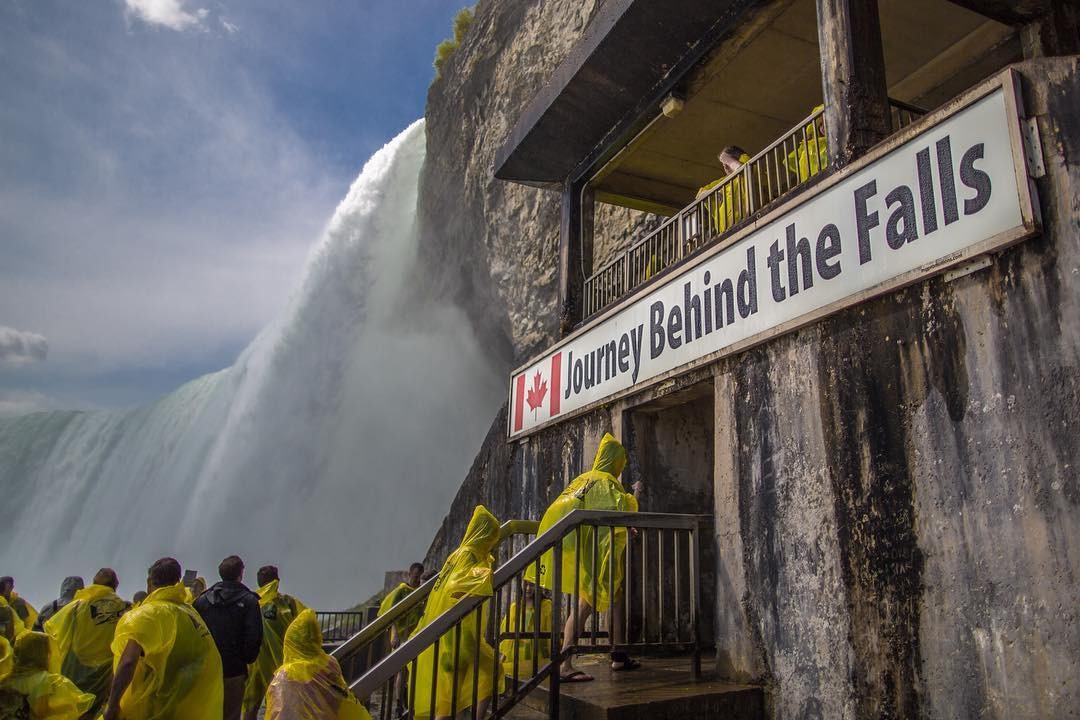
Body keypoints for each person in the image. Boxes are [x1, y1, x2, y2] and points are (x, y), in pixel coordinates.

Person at [525, 432, 639, 682]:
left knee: (614, 597)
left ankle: (618, 655)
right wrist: (636, 494)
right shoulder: (606, 482)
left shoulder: (582, 480)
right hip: (591, 551)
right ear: (614, 462)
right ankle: (564, 664)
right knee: (587, 602)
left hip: (575, 545)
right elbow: (623, 510)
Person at [411, 505, 503, 720]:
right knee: (448, 700)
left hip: (456, 637)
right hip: (459, 638)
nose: (493, 542)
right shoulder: (469, 555)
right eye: (491, 536)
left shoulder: (456, 555)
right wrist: (483, 575)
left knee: (484, 675)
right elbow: (456, 587)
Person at [103, 557, 223, 720]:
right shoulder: (190, 613)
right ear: (176, 581)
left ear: (149, 581)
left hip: (153, 704)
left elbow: (128, 662)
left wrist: (112, 704)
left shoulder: (147, 615)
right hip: (183, 704)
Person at [43, 568, 129, 715]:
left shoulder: (77, 606)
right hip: (108, 672)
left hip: (76, 667)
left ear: (93, 583)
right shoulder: (126, 608)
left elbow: (52, 630)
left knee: (72, 710)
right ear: (115, 585)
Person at [264, 609, 370, 720]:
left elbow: (275, 710)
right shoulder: (329, 664)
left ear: (290, 642)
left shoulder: (284, 676)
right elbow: (340, 700)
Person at [194, 555, 263, 720]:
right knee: (231, 714)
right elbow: (254, 635)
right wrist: (247, 658)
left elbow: (194, 631)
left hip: (207, 668)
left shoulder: (202, 600)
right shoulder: (249, 601)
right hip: (234, 668)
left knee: (207, 712)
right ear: (241, 574)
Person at [242, 565, 308, 720]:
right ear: (277, 581)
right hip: (281, 663)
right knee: (280, 704)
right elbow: (305, 626)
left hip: (254, 662)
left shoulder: (249, 602)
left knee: (250, 704)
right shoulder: (288, 603)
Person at [0, 631, 94, 719]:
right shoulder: (42, 678)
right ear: (42, 655)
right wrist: (65, 706)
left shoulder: (7, 678)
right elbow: (41, 712)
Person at [694, 146, 752, 239]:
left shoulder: (748, 166)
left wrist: (728, 160)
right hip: (725, 234)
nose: (724, 166)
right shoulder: (723, 180)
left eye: (727, 162)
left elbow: (742, 167)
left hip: (746, 225)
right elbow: (699, 196)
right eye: (723, 164)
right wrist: (713, 193)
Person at [499, 580, 552, 680]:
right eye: (525, 584)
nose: (528, 588)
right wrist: (504, 656)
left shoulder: (546, 605)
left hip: (539, 654)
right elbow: (508, 635)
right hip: (517, 655)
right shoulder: (515, 607)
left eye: (531, 585)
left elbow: (550, 631)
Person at [378, 562, 425, 648]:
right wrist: (395, 636)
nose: (418, 580)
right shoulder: (402, 591)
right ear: (409, 574)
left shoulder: (420, 592)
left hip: (414, 633)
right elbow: (394, 614)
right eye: (416, 577)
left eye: (420, 578)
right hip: (400, 636)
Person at [785, 105, 828, 182]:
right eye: (821, 124)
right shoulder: (813, 145)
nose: (823, 127)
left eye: (826, 122)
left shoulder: (831, 142)